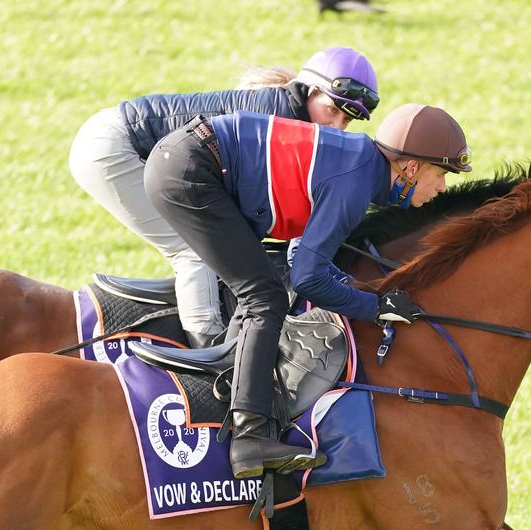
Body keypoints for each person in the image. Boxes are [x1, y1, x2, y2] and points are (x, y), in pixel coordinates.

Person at [143, 104, 472, 478]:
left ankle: (233, 395)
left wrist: (364, 294)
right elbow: (308, 279)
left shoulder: (360, 168)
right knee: (264, 297)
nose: (444, 187)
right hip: (192, 168)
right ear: (410, 168)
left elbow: (313, 261)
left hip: (190, 159)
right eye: (441, 174)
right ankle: (250, 436)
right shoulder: (356, 181)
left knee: (261, 285)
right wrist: (375, 307)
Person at [68, 48, 381, 348]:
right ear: (310, 90)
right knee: (193, 252)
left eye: (348, 120)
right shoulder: (284, 121)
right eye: (333, 110)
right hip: (113, 147)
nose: (337, 126)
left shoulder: (289, 116)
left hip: (122, 140)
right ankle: (207, 354)